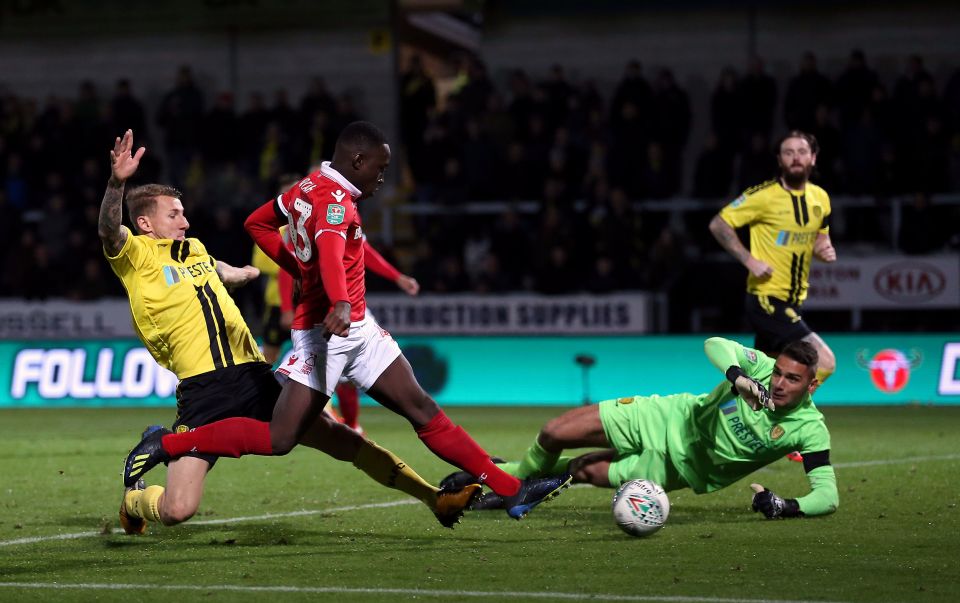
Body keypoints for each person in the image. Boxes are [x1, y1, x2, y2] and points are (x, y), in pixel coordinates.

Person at [123, 122, 571, 520]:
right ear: (357, 161)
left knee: (421, 410)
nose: (381, 179)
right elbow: (333, 254)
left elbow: (257, 224)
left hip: (357, 328)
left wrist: (302, 270)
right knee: (281, 439)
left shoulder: (305, 189)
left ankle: (511, 491)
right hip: (327, 333)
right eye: (378, 169)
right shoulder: (336, 202)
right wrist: (334, 297)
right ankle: (168, 444)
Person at [444, 337, 839, 520]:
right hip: (666, 416)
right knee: (553, 432)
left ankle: (507, 484)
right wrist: (737, 377)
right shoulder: (760, 369)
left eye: (792, 379)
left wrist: (785, 506)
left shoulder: (809, 429)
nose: (780, 383)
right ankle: (509, 475)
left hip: (683, 467)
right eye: (779, 374)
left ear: (812, 385)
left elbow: (828, 496)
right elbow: (717, 344)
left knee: (584, 470)